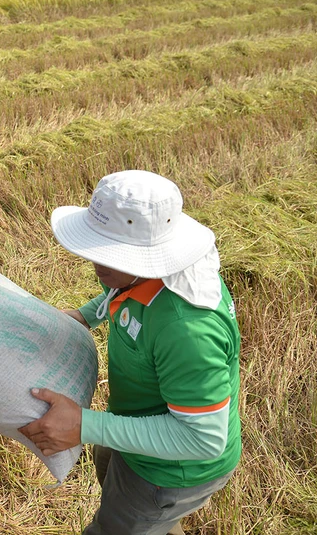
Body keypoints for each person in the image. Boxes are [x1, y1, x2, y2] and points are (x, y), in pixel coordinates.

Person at [21, 170, 241, 534]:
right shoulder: (143, 274)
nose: (97, 263)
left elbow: (202, 438)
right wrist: (84, 316)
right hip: (136, 426)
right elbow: (122, 289)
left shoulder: (186, 330)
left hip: (167, 473)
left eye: (112, 254)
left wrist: (85, 425)